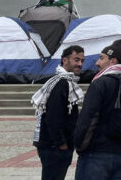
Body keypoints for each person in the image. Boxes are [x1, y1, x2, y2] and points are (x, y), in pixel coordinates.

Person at [73, 39, 121, 180]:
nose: (97, 63)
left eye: (101, 58)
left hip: (97, 153)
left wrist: (79, 145)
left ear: (113, 61)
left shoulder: (100, 83)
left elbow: (88, 118)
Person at [32, 45, 85, 180]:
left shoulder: (66, 82)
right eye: (76, 60)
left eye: (82, 61)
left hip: (54, 146)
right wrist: (62, 144)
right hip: (54, 147)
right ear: (64, 60)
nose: (80, 64)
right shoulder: (62, 83)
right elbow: (53, 117)